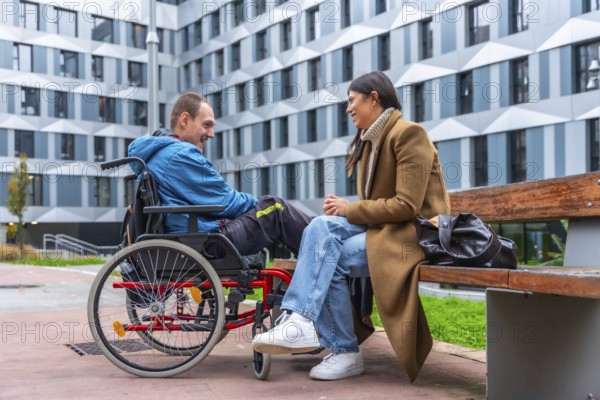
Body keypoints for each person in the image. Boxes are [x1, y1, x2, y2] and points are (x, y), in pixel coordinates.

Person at [252, 72, 451, 381]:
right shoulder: (371, 143)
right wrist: (343, 213)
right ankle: (301, 321)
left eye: (352, 100)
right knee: (320, 226)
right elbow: (381, 206)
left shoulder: (409, 134)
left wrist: (350, 209)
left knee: (334, 259)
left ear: (374, 98)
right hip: (387, 230)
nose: (348, 108)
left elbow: (407, 206)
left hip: (416, 233)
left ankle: (343, 349)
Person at [128, 92, 312, 257]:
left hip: (188, 239)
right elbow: (225, 202)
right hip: (205, 242)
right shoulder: (180, 155)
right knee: (275, 208)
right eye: (206, 125)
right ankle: (323, 236)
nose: (212, 134)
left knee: (269, 211)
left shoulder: (158, 154)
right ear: (185, 120)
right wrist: (258, 205)